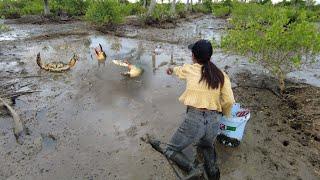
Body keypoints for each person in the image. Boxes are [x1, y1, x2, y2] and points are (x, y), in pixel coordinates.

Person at [149, 39, 235, 180]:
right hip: (214, 120)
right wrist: (224, 114)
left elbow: (178, 70)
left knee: (171, 149)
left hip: (194, 120)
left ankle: (193, 169)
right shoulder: (221, 75)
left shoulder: (189, 69)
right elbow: (229, 101)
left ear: (193, 56)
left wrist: (170, 69)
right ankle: (213, 173)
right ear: (210, 56)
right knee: (207, 146)